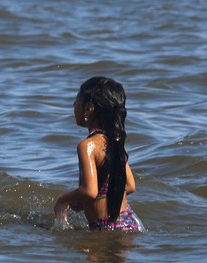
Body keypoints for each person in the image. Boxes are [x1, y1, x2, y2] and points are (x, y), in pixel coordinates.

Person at [54, 77, 145, 232]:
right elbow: (130, 186)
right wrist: (84, 201)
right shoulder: (116, 141)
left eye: (77, 99)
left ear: (89, 108)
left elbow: (90, 191)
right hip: (131, 221)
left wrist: (63, 199)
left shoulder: (87, 146)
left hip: (105, 227)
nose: (74, 105)